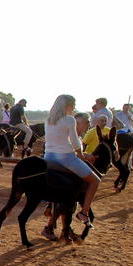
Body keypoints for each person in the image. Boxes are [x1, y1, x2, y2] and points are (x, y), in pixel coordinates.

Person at [43, 94, 99, 227]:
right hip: (65, 157)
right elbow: (75, 141)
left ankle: (50, 206)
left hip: (48, 157)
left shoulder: (49, 120)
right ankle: (84, 212)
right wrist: (81, 155)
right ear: (66, 105)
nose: (74, 107)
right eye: (73, 105)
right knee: (95, 180)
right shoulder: (69, 119)